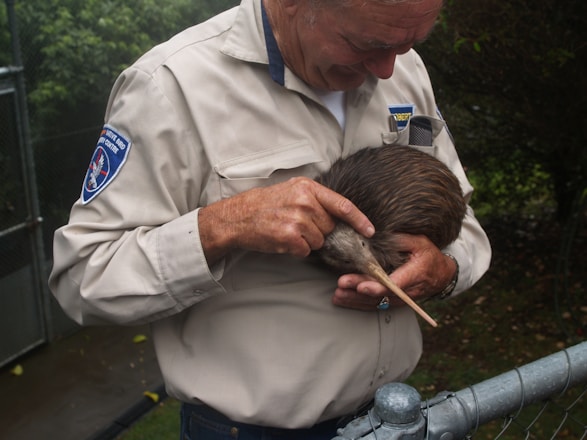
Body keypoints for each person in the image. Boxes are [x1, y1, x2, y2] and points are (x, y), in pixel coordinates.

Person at [49, 0, 492, 438]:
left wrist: (446, 270)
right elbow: (85, 277)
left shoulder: (403, 69)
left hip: (393, 415)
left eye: (409, 42)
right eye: (367, 43)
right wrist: (221, 226)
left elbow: (462, 220)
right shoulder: (172, 87)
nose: (387, 70)